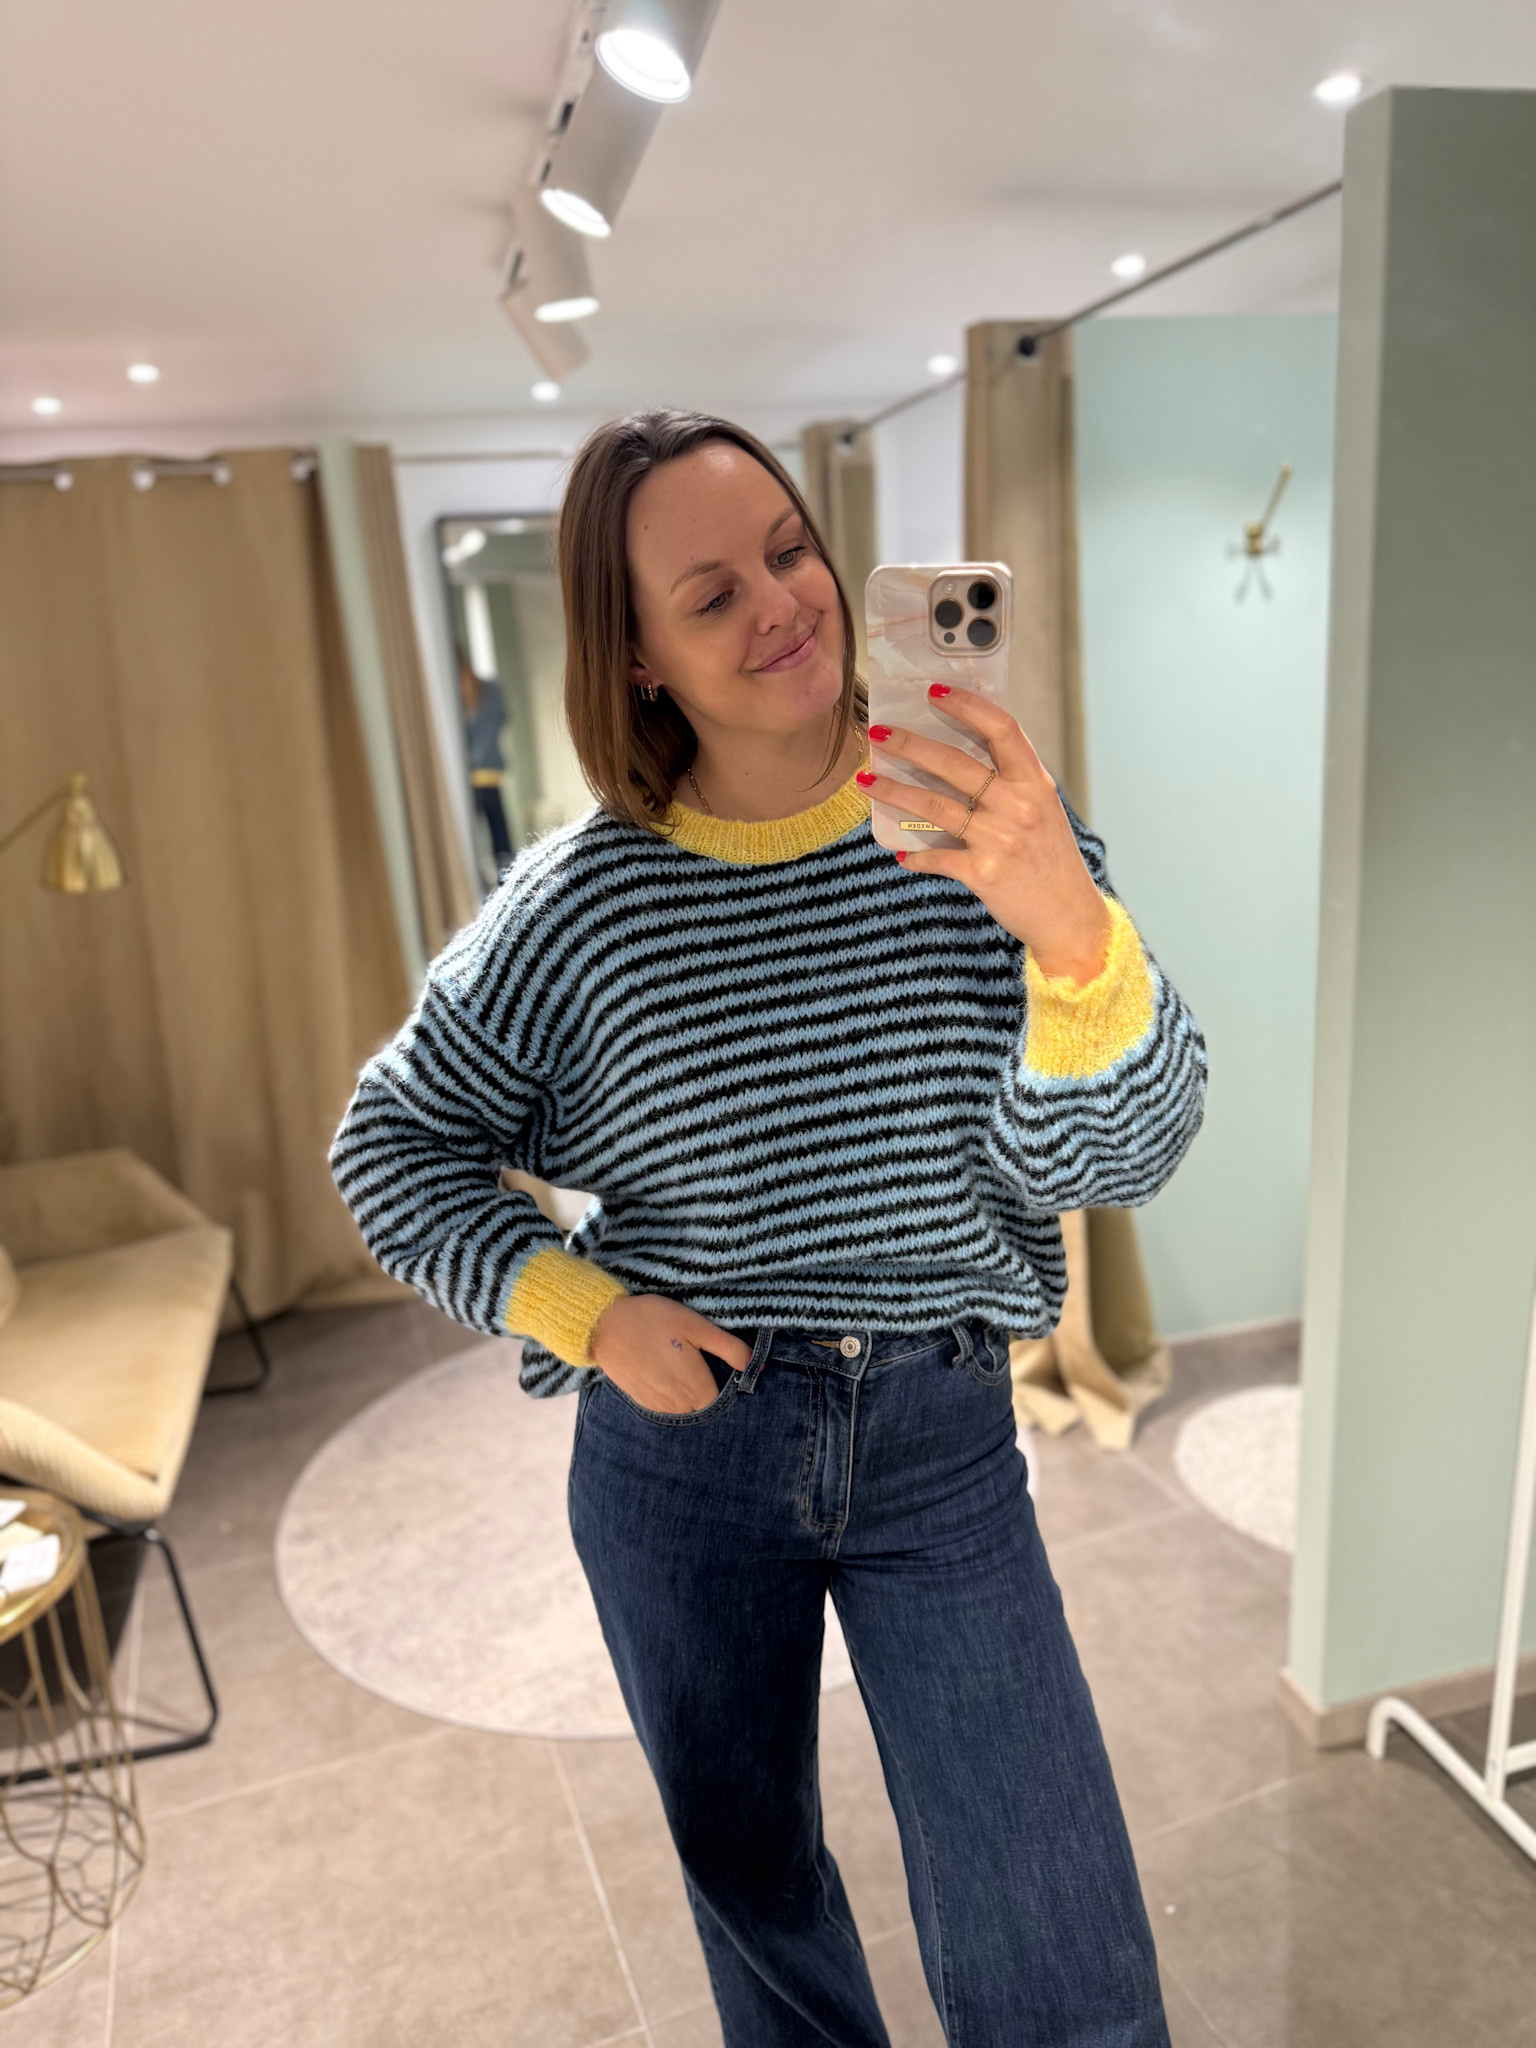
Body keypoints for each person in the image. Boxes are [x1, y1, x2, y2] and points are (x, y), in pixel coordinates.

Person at [331, 409, 1206, 2046]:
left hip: (942, 1433)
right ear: (638, 655)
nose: (783, 605)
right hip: (688, 1452)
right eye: (710, 594)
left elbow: (1129, 1150)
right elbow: (390, 1145)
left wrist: (1069, 926)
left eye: (790, 550)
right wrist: (585, 1312)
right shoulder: (582, 903)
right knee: (758, 1895)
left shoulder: (986, 820)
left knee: (1056, 1938)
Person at [457, 654, 514, 875]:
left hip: (477, 773)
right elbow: (502, 718)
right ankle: (503, 871)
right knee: (496, 832)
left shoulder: (480, 693)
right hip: (485, 771)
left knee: (485, 834)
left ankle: (500, 871)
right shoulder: (488, 690)